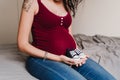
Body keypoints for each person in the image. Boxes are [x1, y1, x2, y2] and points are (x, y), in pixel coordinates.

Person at [17, 0, 116, 80]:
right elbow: (22, 44)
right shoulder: (31, 2)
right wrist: (59, 58)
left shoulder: (66, 3)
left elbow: (68, 33)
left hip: (71, 56)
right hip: (43, 60)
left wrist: (77, 53)